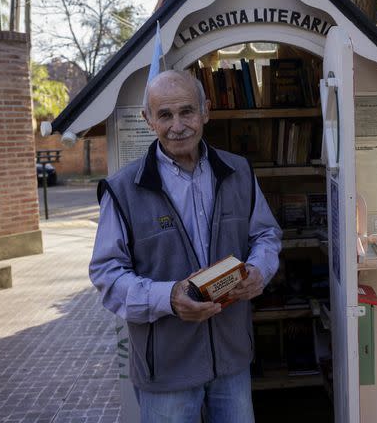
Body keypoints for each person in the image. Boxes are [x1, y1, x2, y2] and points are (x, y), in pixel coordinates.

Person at [90, 70, 282, 422]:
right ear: (148, 120)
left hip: (231, 358)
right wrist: (169, 298)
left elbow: (265, 235)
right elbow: (107, 275)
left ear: (205, 111)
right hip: (166, 368)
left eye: (186, 111)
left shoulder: (238, 171)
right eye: (165, 115)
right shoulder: (122, 190)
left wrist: (260, 270)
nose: (178, 125)